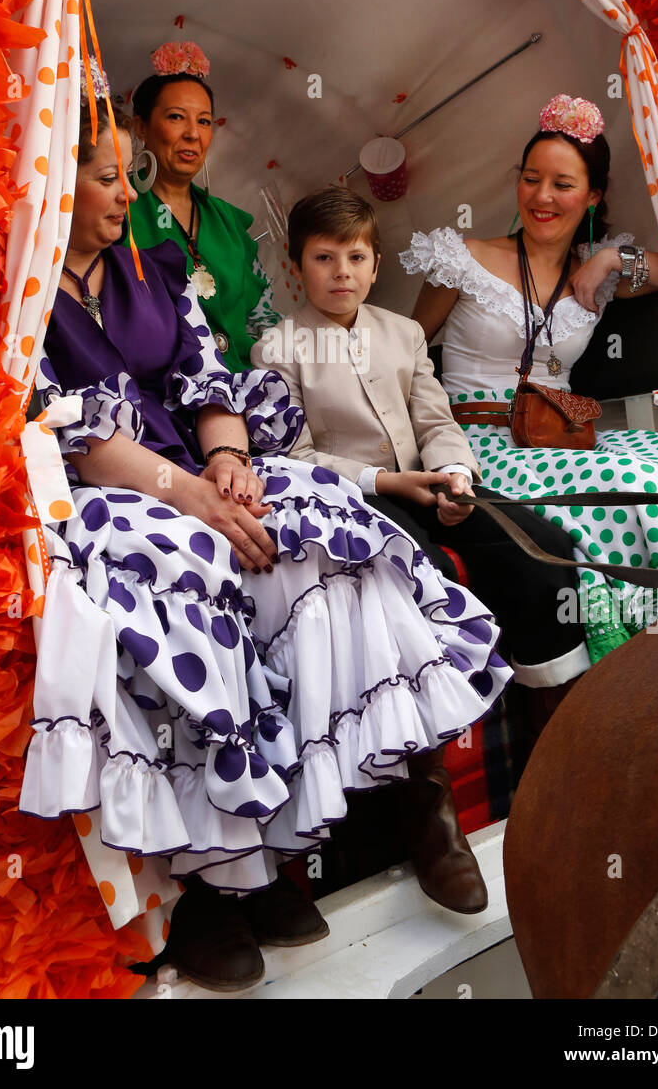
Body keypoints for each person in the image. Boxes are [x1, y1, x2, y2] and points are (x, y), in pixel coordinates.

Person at [24, 80, 512, 993]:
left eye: (130, 176)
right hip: (108, 492)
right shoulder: (22, 298)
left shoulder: (151, 268)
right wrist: (188, 496)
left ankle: (403, 802)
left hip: (197, 471)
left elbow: (208, 375)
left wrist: (229, 462)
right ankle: (219, 885)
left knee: (328, 532)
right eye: (104, 178)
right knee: (193, 582)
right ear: (51, 181)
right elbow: (74, 437)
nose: (126, 194)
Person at [400, 93, 658, 666]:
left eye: (563, 184)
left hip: (556, 433)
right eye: (531, 178)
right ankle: (640, 658)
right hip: (478, 440)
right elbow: (406, 350)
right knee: (628, 480)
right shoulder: (462, 257)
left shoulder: (597, 268)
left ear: (592, 196)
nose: (542, 196)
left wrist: (610, 261)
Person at [250, 186, 589, 736]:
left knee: (541, 545)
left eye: (356, 257)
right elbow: (296, 455)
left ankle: (550, 704)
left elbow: (435, 421)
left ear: (376, 264)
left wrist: (455, 476)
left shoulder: (403, 333)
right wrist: (386, 481)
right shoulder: (278, 348)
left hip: (431, 481)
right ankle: (452, 712)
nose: (342, 273)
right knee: (422, 567)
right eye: (323, 258)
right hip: (354, 498)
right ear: (296, 267)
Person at [122, 40, 279, 372]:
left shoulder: (228, 220)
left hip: (244, 382)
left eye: (204, 121)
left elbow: (261, 315)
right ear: (141, 127)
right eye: (176, 117)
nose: (193, 134)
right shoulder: (117, 208)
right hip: (159, 391)